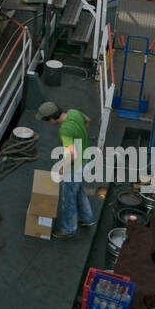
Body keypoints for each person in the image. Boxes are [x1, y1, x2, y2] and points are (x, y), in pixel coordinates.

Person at [36, 102, 95, 239]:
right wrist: (80, 136)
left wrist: (62, 168)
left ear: (51, 119)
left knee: (68, 199)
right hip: (85, 159)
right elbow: (87, 120)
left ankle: (69, 230)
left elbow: (72, 155)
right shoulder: (73, 112)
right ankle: (87, 218)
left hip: (74, 168)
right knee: (78, 190)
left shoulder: (65, 130)